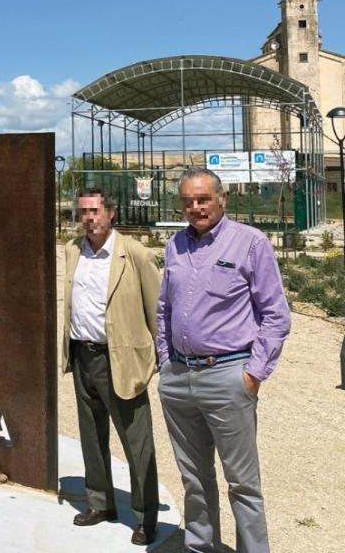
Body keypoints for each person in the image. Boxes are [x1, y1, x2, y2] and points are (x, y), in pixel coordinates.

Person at [157, 168, 291, 553]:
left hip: (228, 375)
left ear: (222, 199)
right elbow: (164, 308)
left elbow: (276, 315)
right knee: (193, 478)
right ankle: (200, 546)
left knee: (243, 484)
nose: (195, 207)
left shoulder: (250, 243)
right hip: (179, 377)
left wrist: (253, 374)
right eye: (187, 201)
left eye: (203, 199)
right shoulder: (175, 246)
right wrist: (165, 360)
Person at [61, 188, 161, 546]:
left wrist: (157, 357)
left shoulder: (134, 254)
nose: (88, 218)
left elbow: (157, 310)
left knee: (137, 442)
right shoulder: (73, 250)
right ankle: (100, 503)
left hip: (120, 359)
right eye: (83, 211)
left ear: (111, 214)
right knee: (91, 435)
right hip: (82, 356)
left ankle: (146, 517)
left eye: (94, 211)